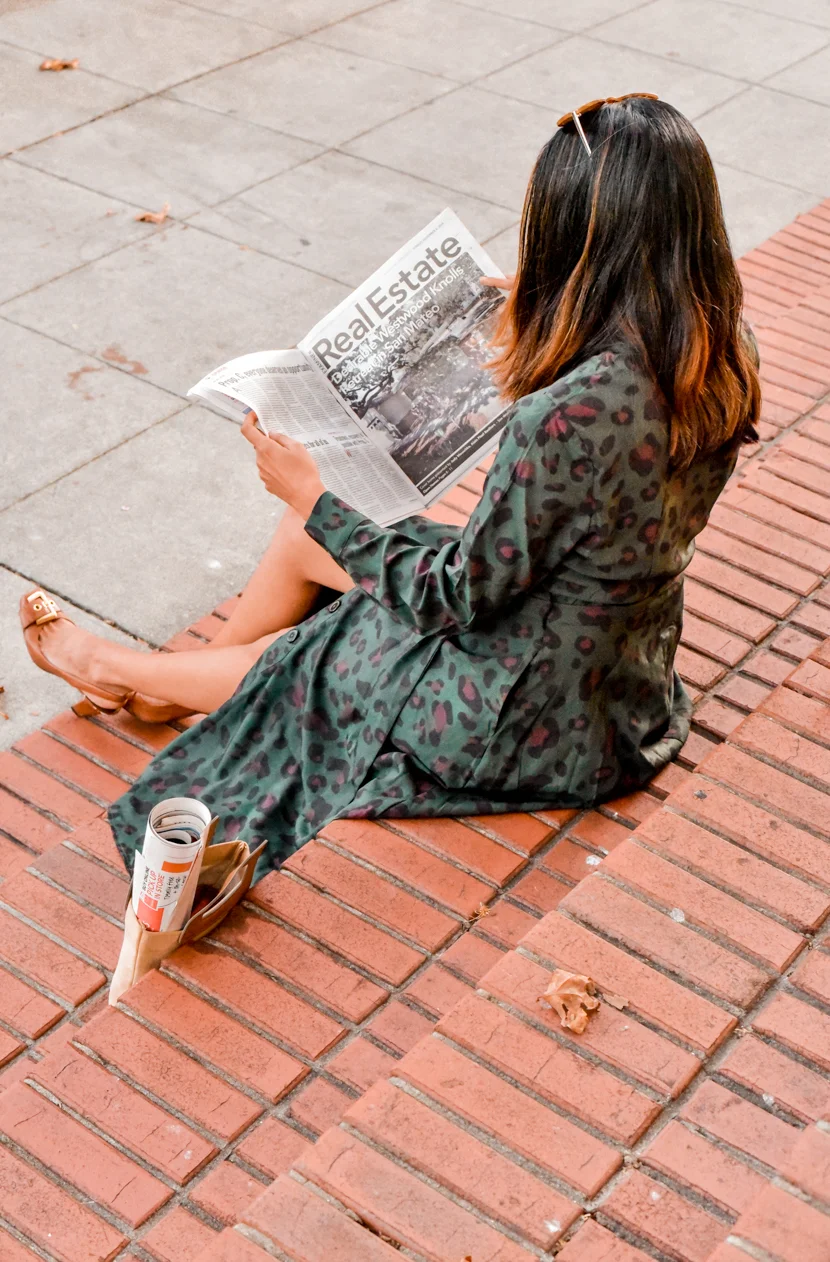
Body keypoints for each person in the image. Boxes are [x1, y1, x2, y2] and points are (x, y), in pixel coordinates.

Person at [21, 94, 760, 891]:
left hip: (532, 712)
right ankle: (176, 692)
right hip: (616, 671)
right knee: (308, 544)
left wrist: (312, 495)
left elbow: (453, 599)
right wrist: (550, 310)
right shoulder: (716, 346)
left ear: (578, 241)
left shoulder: (571, 415)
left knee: (324, 650)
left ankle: (119, 669)